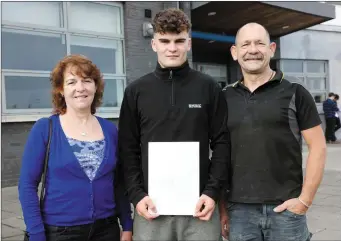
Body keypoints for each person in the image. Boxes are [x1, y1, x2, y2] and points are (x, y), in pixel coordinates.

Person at [118, 8, 230, 241]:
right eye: (165, 41)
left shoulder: (209, 88)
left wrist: (212, 192)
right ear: (154, 44)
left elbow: (221, 143)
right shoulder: (136, 92)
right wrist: (137, 195)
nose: (172, 48)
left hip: (199, 207)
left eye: (179, 41)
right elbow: (127, 149)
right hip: (151, 208)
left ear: (188, 43)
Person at [220, 23, 327, 241]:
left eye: (260, 43)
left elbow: (318, 147)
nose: (252, 50)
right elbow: (218, 154)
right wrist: (223, 209)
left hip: (286, 210)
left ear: (271, 49)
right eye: (245, 44)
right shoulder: (223, 98)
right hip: (239, 211)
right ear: (234, 52)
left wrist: (305, 200)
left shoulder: (295, 92)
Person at [18, 54, 133, 241]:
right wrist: (37, 234)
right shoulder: (45, 129)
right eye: (71, 82)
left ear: (96, 87)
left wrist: (127, 226)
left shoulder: (111, 131)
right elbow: (27, 186)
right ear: (61, 90)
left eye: (86, 81)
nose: (80, 88)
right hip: (61, 232)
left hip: (107, 230)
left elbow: (118, 183)